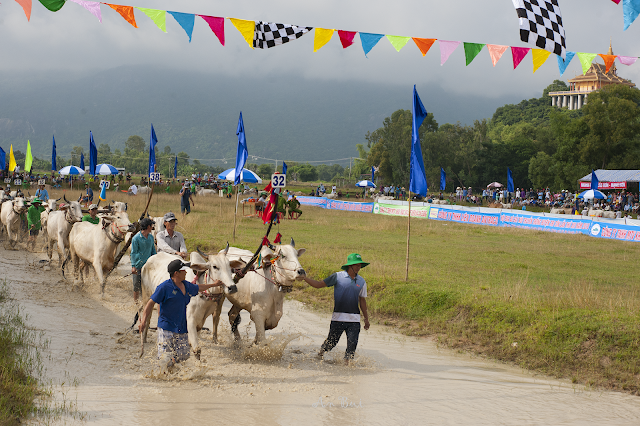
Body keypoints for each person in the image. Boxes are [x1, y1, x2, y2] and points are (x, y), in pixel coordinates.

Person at [139, 259, 224, 371]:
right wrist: (144, 321)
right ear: (176, 273)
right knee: (165, 357)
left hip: (181, 328)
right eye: (183, 270)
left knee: (184, 355)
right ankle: (161, 373)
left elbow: (199, 288)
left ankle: (168, 366)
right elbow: (150, 303)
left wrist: (214, 284)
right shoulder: (164, 287)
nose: (186, 272)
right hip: (166, 328)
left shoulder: (186, 285)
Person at [303, 253, 370, 365]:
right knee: (331, 343)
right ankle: (320, 353)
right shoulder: (337, 277)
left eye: (360, 265)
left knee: (352, 345)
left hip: (354, 320)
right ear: (350, 266)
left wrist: (366, 319)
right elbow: (319, 284)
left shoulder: (362, 281)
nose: (359, 268)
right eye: (357, 265)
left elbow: (362, 301)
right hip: (338, 318)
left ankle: (347, 366)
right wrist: (304, 278)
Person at [131, 218, 156, 304]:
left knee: (147, 285)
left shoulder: (151, 237)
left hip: (148, 266)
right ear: (148, 226)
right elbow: (133, 253)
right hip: (138, 265)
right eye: (151, 225)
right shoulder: (136, 238)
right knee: (136, 286)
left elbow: (153, 250)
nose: (152, 227)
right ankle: (136, 303)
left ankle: (146, 302)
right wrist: (133, 266)